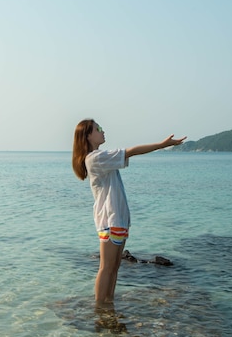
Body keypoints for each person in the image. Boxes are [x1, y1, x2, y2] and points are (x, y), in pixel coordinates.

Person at [72, 119, 186, 305]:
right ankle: (100, 307)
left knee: (114, 267)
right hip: (110, 219)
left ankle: (108, 304)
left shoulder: (100, 157)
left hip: (118, 219)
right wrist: (162, 145)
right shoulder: (94, 158)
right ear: (87, 135)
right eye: (98, 129)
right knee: (106, 267)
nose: (102, 131)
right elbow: (132, 151)